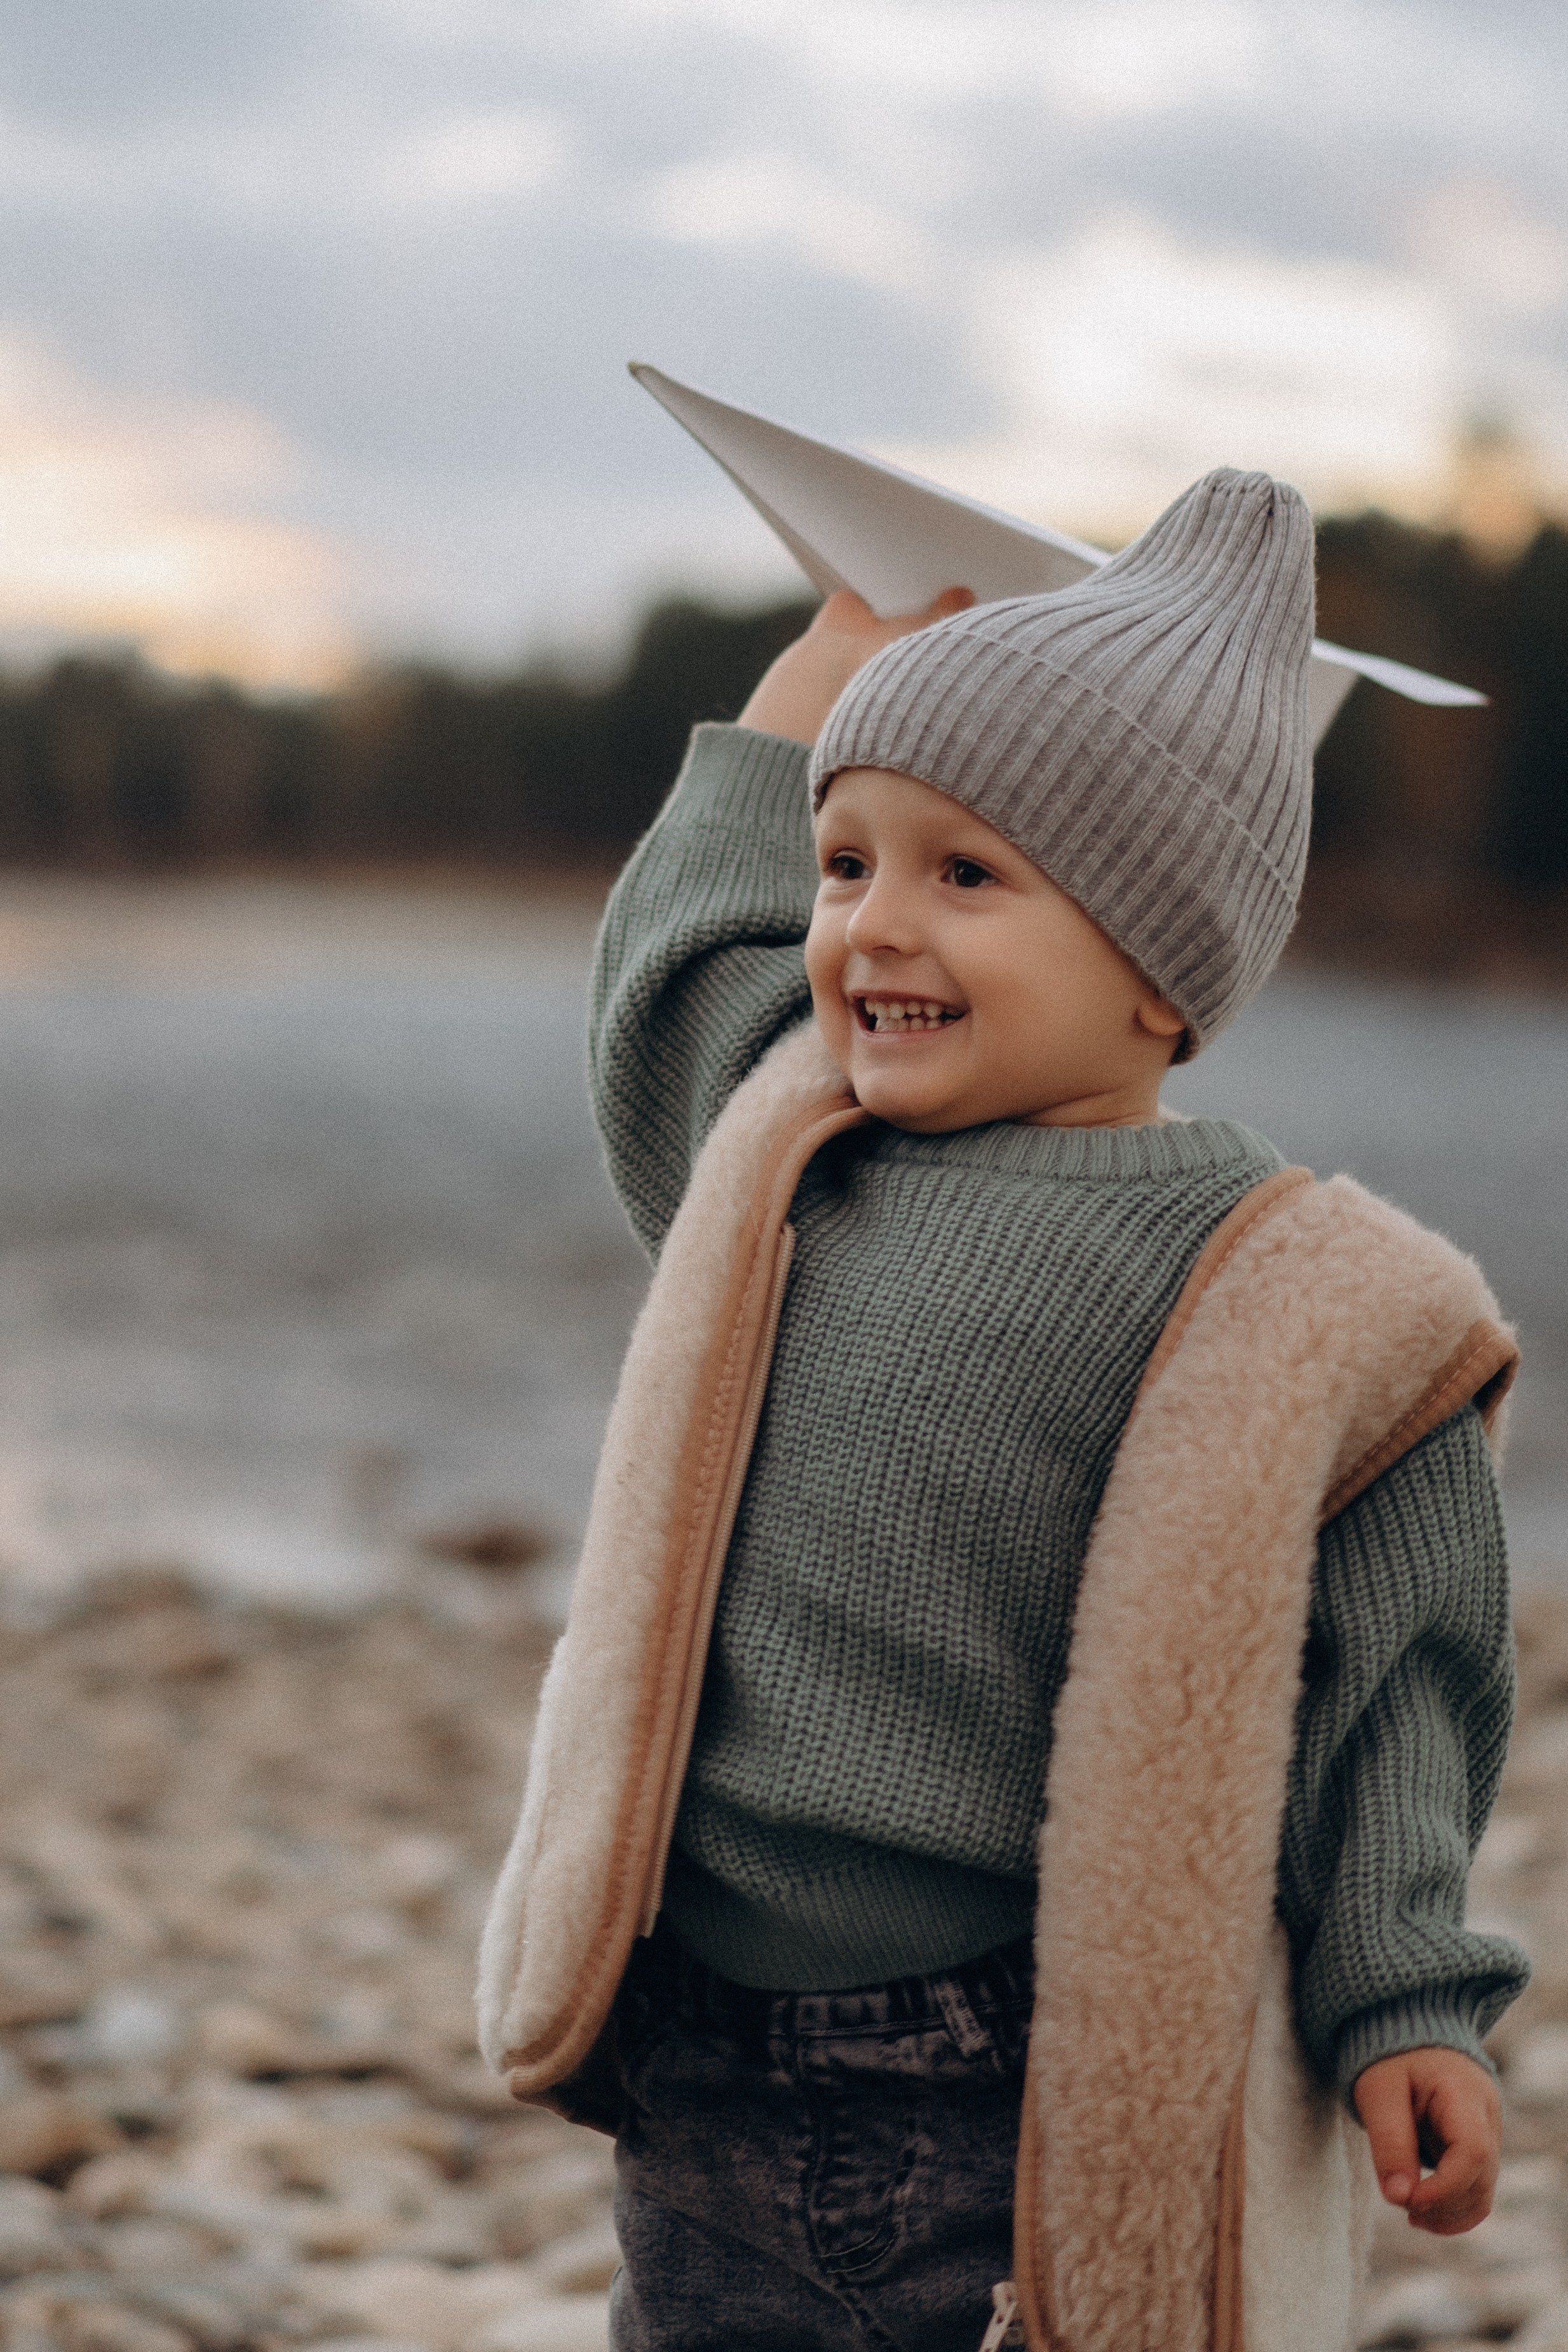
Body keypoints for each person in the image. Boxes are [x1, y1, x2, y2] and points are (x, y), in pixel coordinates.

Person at [480, 470, 1529, 2352]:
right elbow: (670, 979)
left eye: (966, 876)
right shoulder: (791, 1159)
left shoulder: (1269, 1281)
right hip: (694, 2027)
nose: (875, 925)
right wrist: (803, 692)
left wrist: (1406, 1998)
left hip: (987, 2054)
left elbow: (1397, 1675)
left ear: (1160, 967)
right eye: (848, 861)